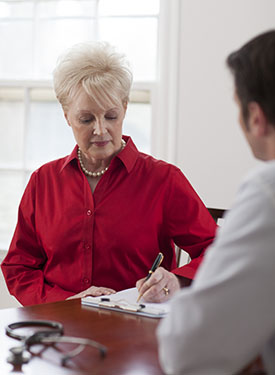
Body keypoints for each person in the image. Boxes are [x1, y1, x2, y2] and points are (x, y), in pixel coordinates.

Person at [1, 42, 216, 307]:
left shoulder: (164, 180)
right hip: (58, 329)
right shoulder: (42, 182)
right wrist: (66, 302)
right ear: (67, 115)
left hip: (136, 330)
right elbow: (18, 267)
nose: (101, 130)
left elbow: (218, 251)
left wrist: (177, 280)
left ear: (124, 107)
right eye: (86, 119)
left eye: (111, 116)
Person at [157, 30, 275, 374]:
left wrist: (177, 283)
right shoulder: (44, 180)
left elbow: (188, 350)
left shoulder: (267, 191)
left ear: (255, 117)